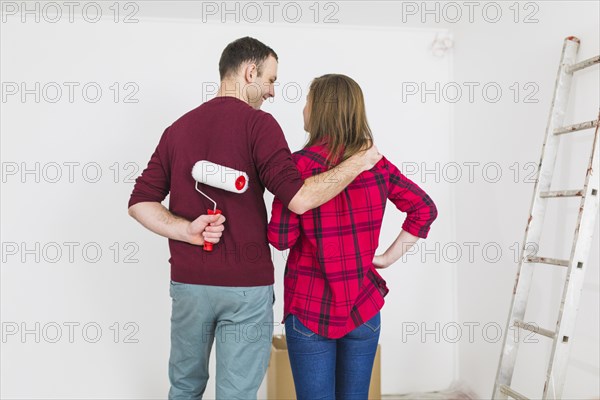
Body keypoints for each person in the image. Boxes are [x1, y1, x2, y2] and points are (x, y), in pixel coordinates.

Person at [127, 38, 382, 399]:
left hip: (188, 286)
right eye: (271, 80)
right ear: (250, 72)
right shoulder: (260, 125)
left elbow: (140, 202)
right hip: (246, 288)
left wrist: (185, 230)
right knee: (237, 394)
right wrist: (360, 160)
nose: (273, 92)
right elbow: (299, 199)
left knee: (184, 387)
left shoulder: (177, 129)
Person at [267, 74, 438, 400]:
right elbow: (424, 209)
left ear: (319, 110)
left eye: (307, 101)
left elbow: (281, 238)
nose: (303, 109)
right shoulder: (376, 164)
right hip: (363, 306)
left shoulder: (297, 165)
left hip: (309, 307)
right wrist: (386, 258)